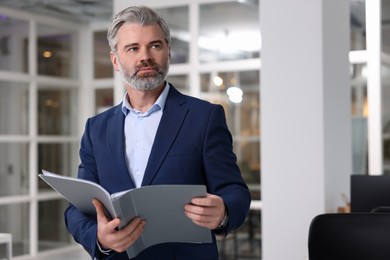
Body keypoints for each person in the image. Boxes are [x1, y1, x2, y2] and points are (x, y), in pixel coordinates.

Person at [64, 5, 251, 260]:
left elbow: (235, 192)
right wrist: (98, 236)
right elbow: (78, 208)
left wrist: (224, 211)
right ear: (115, 60)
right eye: (133, 48)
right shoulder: (96, 129)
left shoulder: (204, 118)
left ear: (168, 53)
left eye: (155, 46)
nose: (145, 56)